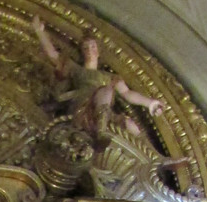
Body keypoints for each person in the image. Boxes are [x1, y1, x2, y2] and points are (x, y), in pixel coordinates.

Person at [31, 16, 164, 138]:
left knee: (129, 124)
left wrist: (149, 103)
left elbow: (127, 93)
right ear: (82, 51)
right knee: (106, 91)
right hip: (82, 106)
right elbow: (53, 54)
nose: (89, 50)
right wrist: (39, 31)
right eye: (86, 48)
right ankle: (101, 131)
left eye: (93, 47)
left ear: (98, 51)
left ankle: (145, 151)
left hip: (104, 110)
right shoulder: (75, 69)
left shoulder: (109, 77)